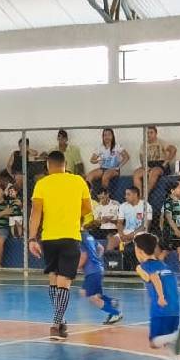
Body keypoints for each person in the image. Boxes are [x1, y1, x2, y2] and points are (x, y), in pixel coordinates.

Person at [29, 150, 93, 341]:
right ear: (66, 164)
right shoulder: (78, 181)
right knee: (64, 281)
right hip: (70, 236)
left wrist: (32, 238)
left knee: (54, 279)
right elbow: (88, 208)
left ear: (48, 165)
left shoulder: (42, 184)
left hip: (48, 238)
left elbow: (35, 213)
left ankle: (61, 319)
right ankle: (56, 324)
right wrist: (74, 214)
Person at [133, 232, 180, 360]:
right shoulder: (165, 265)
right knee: (168, 341)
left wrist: (161, 297)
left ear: (140, 251)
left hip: (160, 310)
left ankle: (176, 336)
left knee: (154, 343)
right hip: (174, 309)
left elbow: (154, 277)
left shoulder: (141, 267)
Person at [79, 225, 123, 325]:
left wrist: (76, 267)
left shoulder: (79, 237)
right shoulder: (89, 236)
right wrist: (96, 260)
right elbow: (101, 248)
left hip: (92, 271)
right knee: (96, 295)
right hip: (98, 268)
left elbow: (83, 256)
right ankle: (112, 302)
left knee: (91, 297)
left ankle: (116, 313)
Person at [134, 125, 176, 197]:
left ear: (156, 133)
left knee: (154, 172)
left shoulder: (161, 142)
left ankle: (145, 196)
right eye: (147, 133)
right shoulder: (144, 144)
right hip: (149, 164)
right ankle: (139, 197)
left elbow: (173, 149)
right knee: (136, 173)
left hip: (160, 164)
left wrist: (166, 162)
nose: (149, 135)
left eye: (151, 132)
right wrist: (145, 166)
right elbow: (141, 157)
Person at [86, 128, 129, 196]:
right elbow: (92, 160)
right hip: (103, 168)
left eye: (109, 135)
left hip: (113, 169)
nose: (107, 137)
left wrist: (118, 167)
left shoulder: (117, 146)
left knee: (105, 176)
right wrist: (98, 160)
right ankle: (89, 195)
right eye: (105, 135)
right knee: (89, 176)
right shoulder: (100, 147)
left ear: (112, 136)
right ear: (102, 137)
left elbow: (127, 157)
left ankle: (105, 197)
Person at [111, 186, 152, 252]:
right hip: (126, 231)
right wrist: (121, 234)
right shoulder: (123, 206)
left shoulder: (146, 205)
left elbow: (146, 225)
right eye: (125, 194)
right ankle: (111, 261)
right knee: (112, 241)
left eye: (128, 194)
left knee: (140, 240)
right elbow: (119, 222)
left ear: (135, 195)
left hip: (140, 232)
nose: (125, 196)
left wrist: (132, 235)